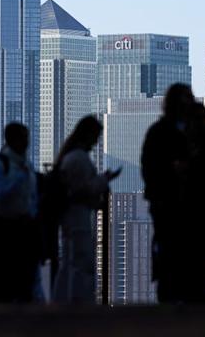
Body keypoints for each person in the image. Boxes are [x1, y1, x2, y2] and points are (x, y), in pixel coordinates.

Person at [141, 84, 205, 304]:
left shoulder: (165, 132)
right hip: (187, 207)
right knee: (189, 265)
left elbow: (150, 171)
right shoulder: (199, 131)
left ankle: (184, 300)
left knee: (180, 265)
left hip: (183, 208)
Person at [51, 116, 121, 303]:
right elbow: (84, 189)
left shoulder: (69, 157)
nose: (96, 142)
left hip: (70, 218)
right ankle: (79, 303)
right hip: (78, 219)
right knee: (81, 262)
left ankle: (63, 302)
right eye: (95, 136)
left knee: (69, 262)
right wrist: (104, 180)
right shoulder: (79, 159)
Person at [0, 122, 40, 303]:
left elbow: (31, 196)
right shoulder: (0, 165)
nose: (27, 143)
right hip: (3, 230)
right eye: (24, 138)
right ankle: (0, 317)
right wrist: (19, 178)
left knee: (25, 277)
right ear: (12, 140)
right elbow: (0, 193)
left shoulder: (26, 164)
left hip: (23, 228)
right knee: (2, 278)